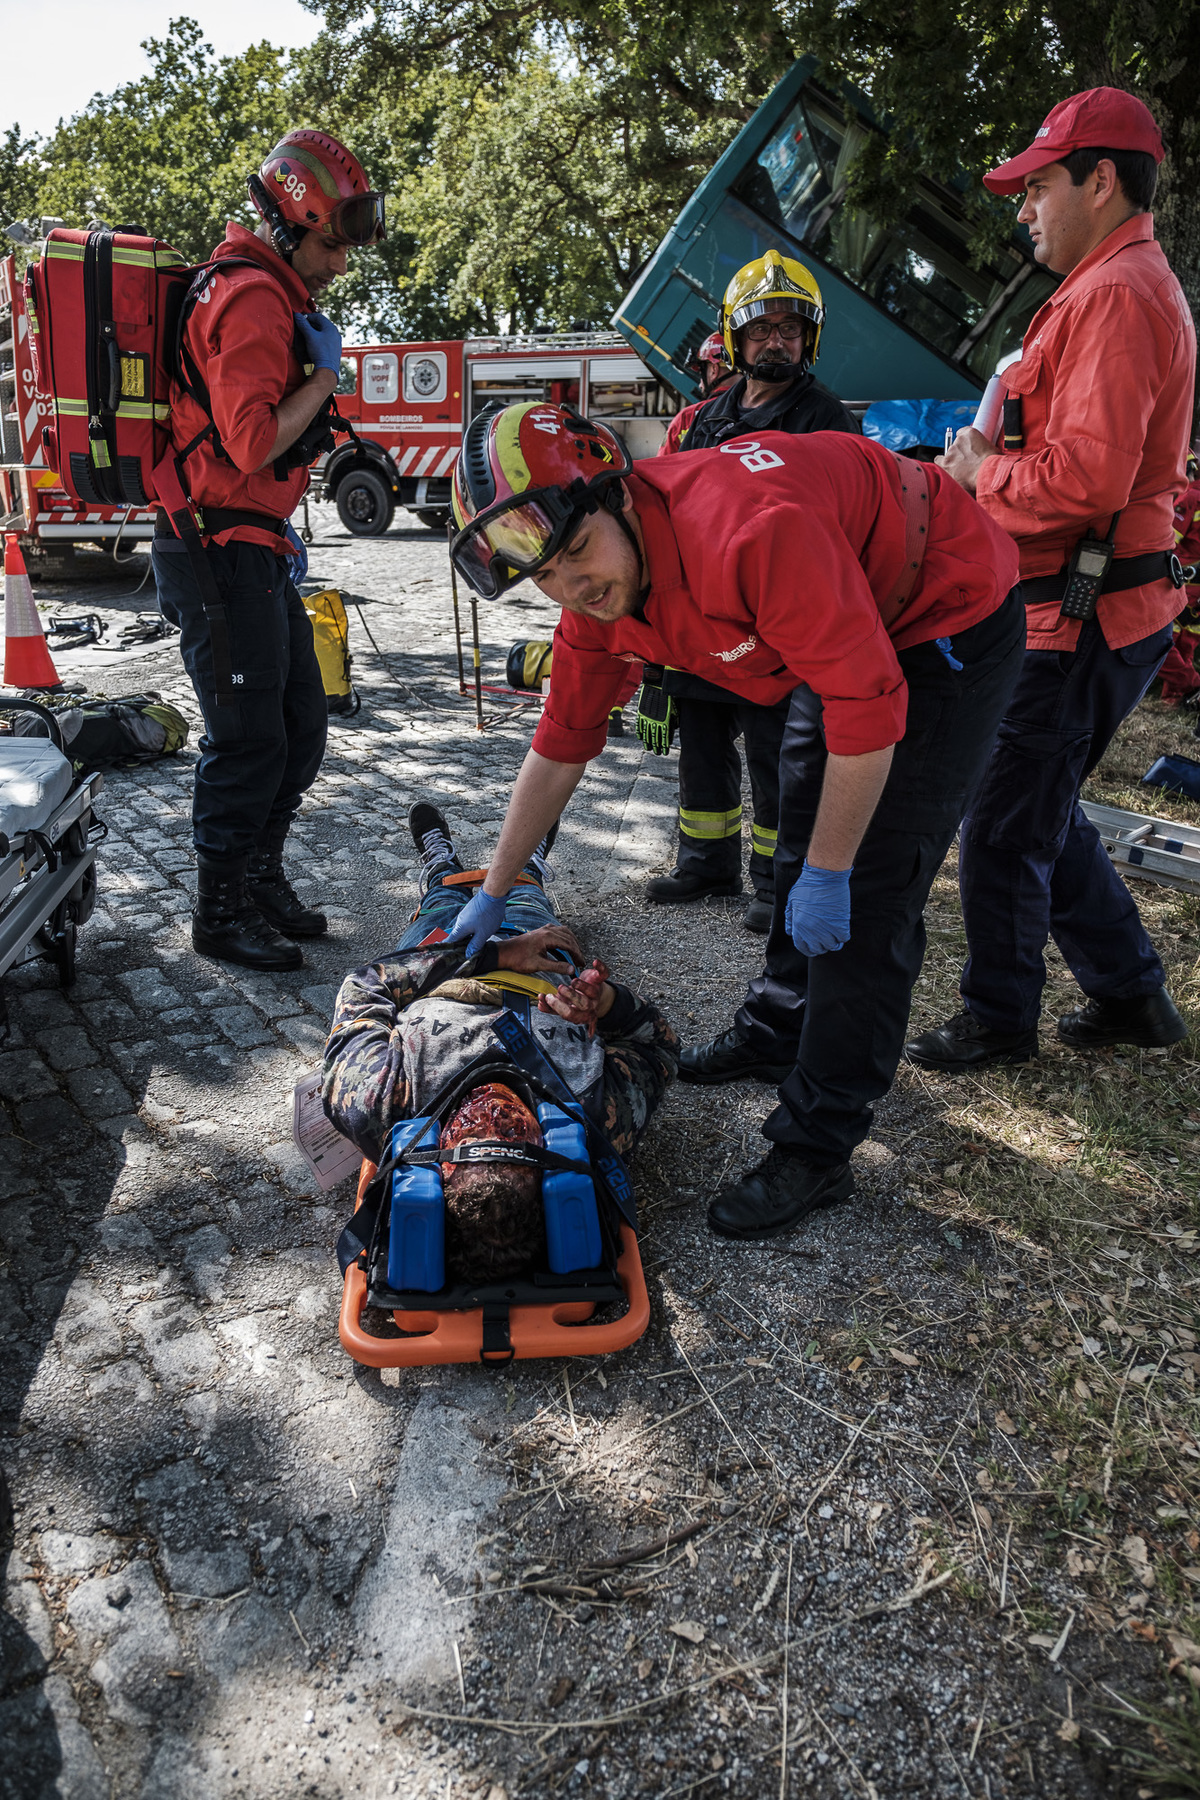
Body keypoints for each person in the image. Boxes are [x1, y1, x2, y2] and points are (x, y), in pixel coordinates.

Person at [443, 401, 1025, 1242]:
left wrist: (834, 876)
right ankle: (779, 1027)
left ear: (620, 494)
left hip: (940, 609)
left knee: (864, 884)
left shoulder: (749, 534)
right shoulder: (598, 600)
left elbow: (869, 709)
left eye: (578, 553)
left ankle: (818, 1142)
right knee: (799, 835)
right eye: (549, 577)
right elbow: (562, 744)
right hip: (845, 614)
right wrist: (494, 891)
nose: (577, 589)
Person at [907, 88, 1194, 1072]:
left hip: (1085, 610)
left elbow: (1085, 479)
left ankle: (998, 1020)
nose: (1022, 207)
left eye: (1037, 186)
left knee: (1001, 821)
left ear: (1101, 180)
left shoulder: (1115, 296)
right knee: (1039, 808)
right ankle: (1133, 998)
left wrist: (978, 472)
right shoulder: (1107, 288)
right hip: (1089, 599)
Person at [153, 128, 384, 971]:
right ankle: (219, 913)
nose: (341, 263)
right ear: (290, 224)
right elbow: (250, 446)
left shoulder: (275, 296)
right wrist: (324, 380)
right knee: (248, 736)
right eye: (330, 243)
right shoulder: (251, 299)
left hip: (251, 545)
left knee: (299, 721)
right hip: (213, 546)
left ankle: (258, 877)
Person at [322, 804, 679, 1281]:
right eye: (511, 1134)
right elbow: (659, 1049)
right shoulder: (594, 1116)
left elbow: (366, 987)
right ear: (547, 1157)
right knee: (527, 897)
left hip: (440, 964)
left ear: (436, 1165)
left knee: (443, 901)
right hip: (547, 966)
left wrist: (489, 953)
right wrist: (605, 1003)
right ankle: (530, 861)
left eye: (469, 1134)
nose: (489, 1112)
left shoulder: (380, 1104)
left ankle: (439, 860)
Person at [645, 255, 860, 932]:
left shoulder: (828, 423)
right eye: (763, 327)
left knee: (780, 765)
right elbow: (660, 528)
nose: (777, 340)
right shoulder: (695, 424)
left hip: (784, 633)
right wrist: (657, 664)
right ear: (735, 338)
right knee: (703, 751)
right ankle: (707, 862)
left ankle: (774, 884)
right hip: (709, 629)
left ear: (809, 339)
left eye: (791, 328)